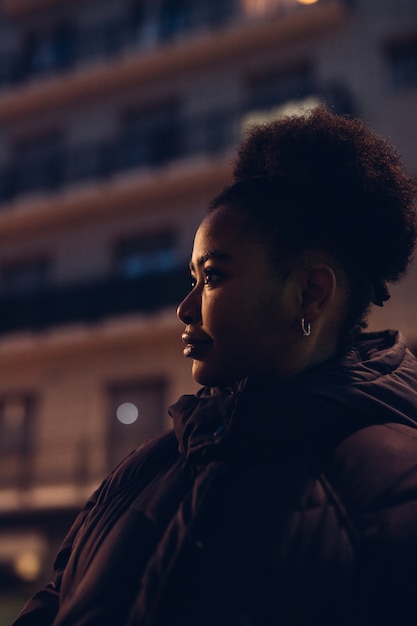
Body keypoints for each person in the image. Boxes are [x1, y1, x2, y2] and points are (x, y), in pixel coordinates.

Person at [12, 106, 417, 626]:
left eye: (214, 277)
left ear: (310, 293)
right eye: (192, 278)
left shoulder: (396, 486)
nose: (185, 308)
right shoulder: (144, 467)